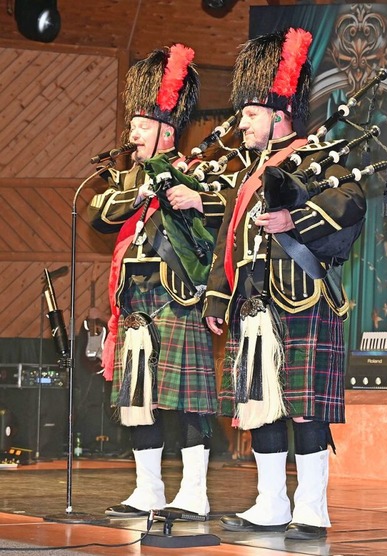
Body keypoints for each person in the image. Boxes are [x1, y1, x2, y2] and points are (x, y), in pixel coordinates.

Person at [204, 28, 367, 541]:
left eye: (250, 113)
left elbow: (350, 204)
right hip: (253, 305)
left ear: (280, 114)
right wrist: (218, 295)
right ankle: (270, 503)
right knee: (262, 404)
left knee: (305, 406)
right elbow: (228, 241)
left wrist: (297, 222)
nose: (242, 123)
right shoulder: (248, 174)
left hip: (300, 296)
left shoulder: (317, 155)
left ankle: (312, 509)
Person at [87, 44, 226, 519]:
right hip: (137, 303)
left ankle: (194, 493)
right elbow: (98, 214)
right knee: (138, 401)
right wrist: (141, 187)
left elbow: (218, 222)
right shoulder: (126, 180)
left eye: (141, 125)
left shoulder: (196, 173)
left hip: (178, 295)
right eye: (133, 125)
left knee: (187, 403)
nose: (132, 133)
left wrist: (182, 193)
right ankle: (148, 491)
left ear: (167, 129)